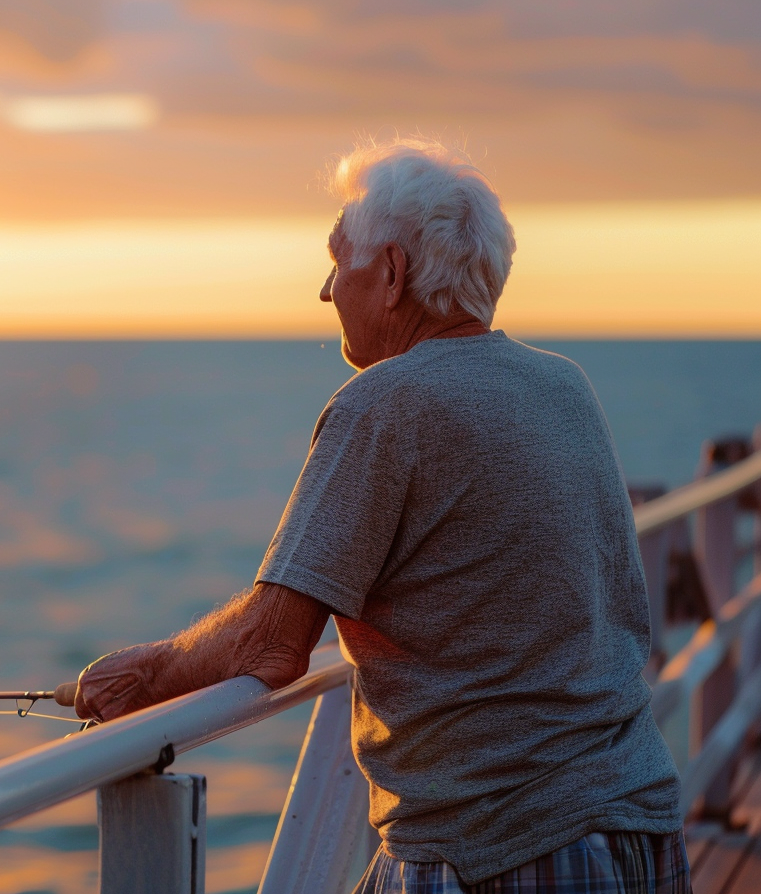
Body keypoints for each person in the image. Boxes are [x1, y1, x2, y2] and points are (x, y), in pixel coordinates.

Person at [70, 137, 687, 893]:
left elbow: (271, 647)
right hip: (637, 825)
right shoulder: (564, 385)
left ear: (392, 274)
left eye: (338, 260)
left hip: (496, 848)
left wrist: (147, 675)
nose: (326, 291)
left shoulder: (384, 404)